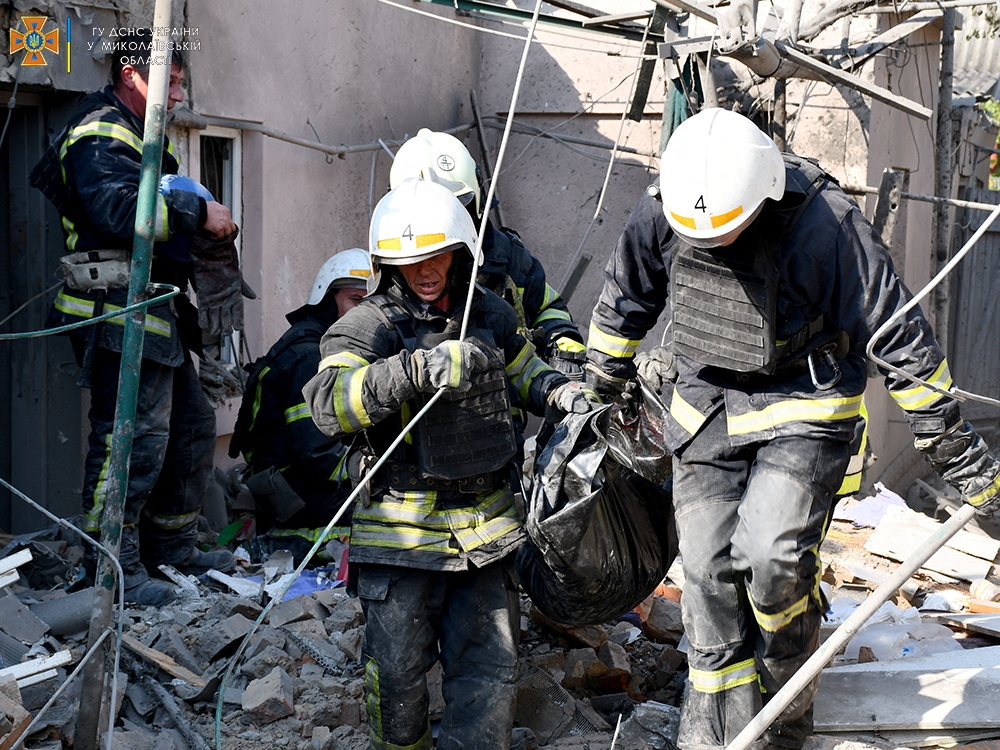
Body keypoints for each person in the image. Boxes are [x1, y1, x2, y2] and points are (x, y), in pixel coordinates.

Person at [585, 107, 1000, 750]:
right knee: (705, 574)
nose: (716, 244)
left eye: (729, 231)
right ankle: (715, 726)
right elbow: (627, 295)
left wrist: (960, 454)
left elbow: (894, 331)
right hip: (705, 407)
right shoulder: (664, 208)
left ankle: (784, 707)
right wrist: (602, 377)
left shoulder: (825, 225)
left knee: (771, 560)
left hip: (803, 406)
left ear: (764, 195)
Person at [303, 178, 599, 750]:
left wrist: (561, 394)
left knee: (489, 677)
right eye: (410, 260)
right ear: (389, 264)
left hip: (484, 538)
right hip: (399, 541)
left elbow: (523, 370)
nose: (425, 270)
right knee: (396, 683)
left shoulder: (486, 313)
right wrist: (416, 369)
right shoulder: (366, 325)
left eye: (436, 255)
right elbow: (328, 404)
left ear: (460, 252)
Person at [29, 44, 240, 606]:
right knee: (130, 440)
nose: (177, 97)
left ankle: (172, 550)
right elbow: (121, 213)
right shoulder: (101, 132)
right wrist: (201, 214)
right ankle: (112, 567)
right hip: (114, 311)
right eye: (169, 83)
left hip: (150, 311)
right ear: (131, 76)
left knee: (193, 428)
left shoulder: (142, 138)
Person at [389, 128, 585, 378]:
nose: (448, 221)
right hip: (425, 410)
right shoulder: (392, 269)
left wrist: (566, 353)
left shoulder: (505, 254)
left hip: (505, 405)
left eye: (457, 207)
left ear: (477, 200)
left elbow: (547, 306)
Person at [228, 248, 370, 563]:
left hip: (282, 484)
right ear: (327, 298)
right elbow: (316, 451)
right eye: (356, 301)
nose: (364, 314)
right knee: (388, 504)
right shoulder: (312, 356)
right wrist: (367, 475)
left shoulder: (308, 341)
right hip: (294, 495)